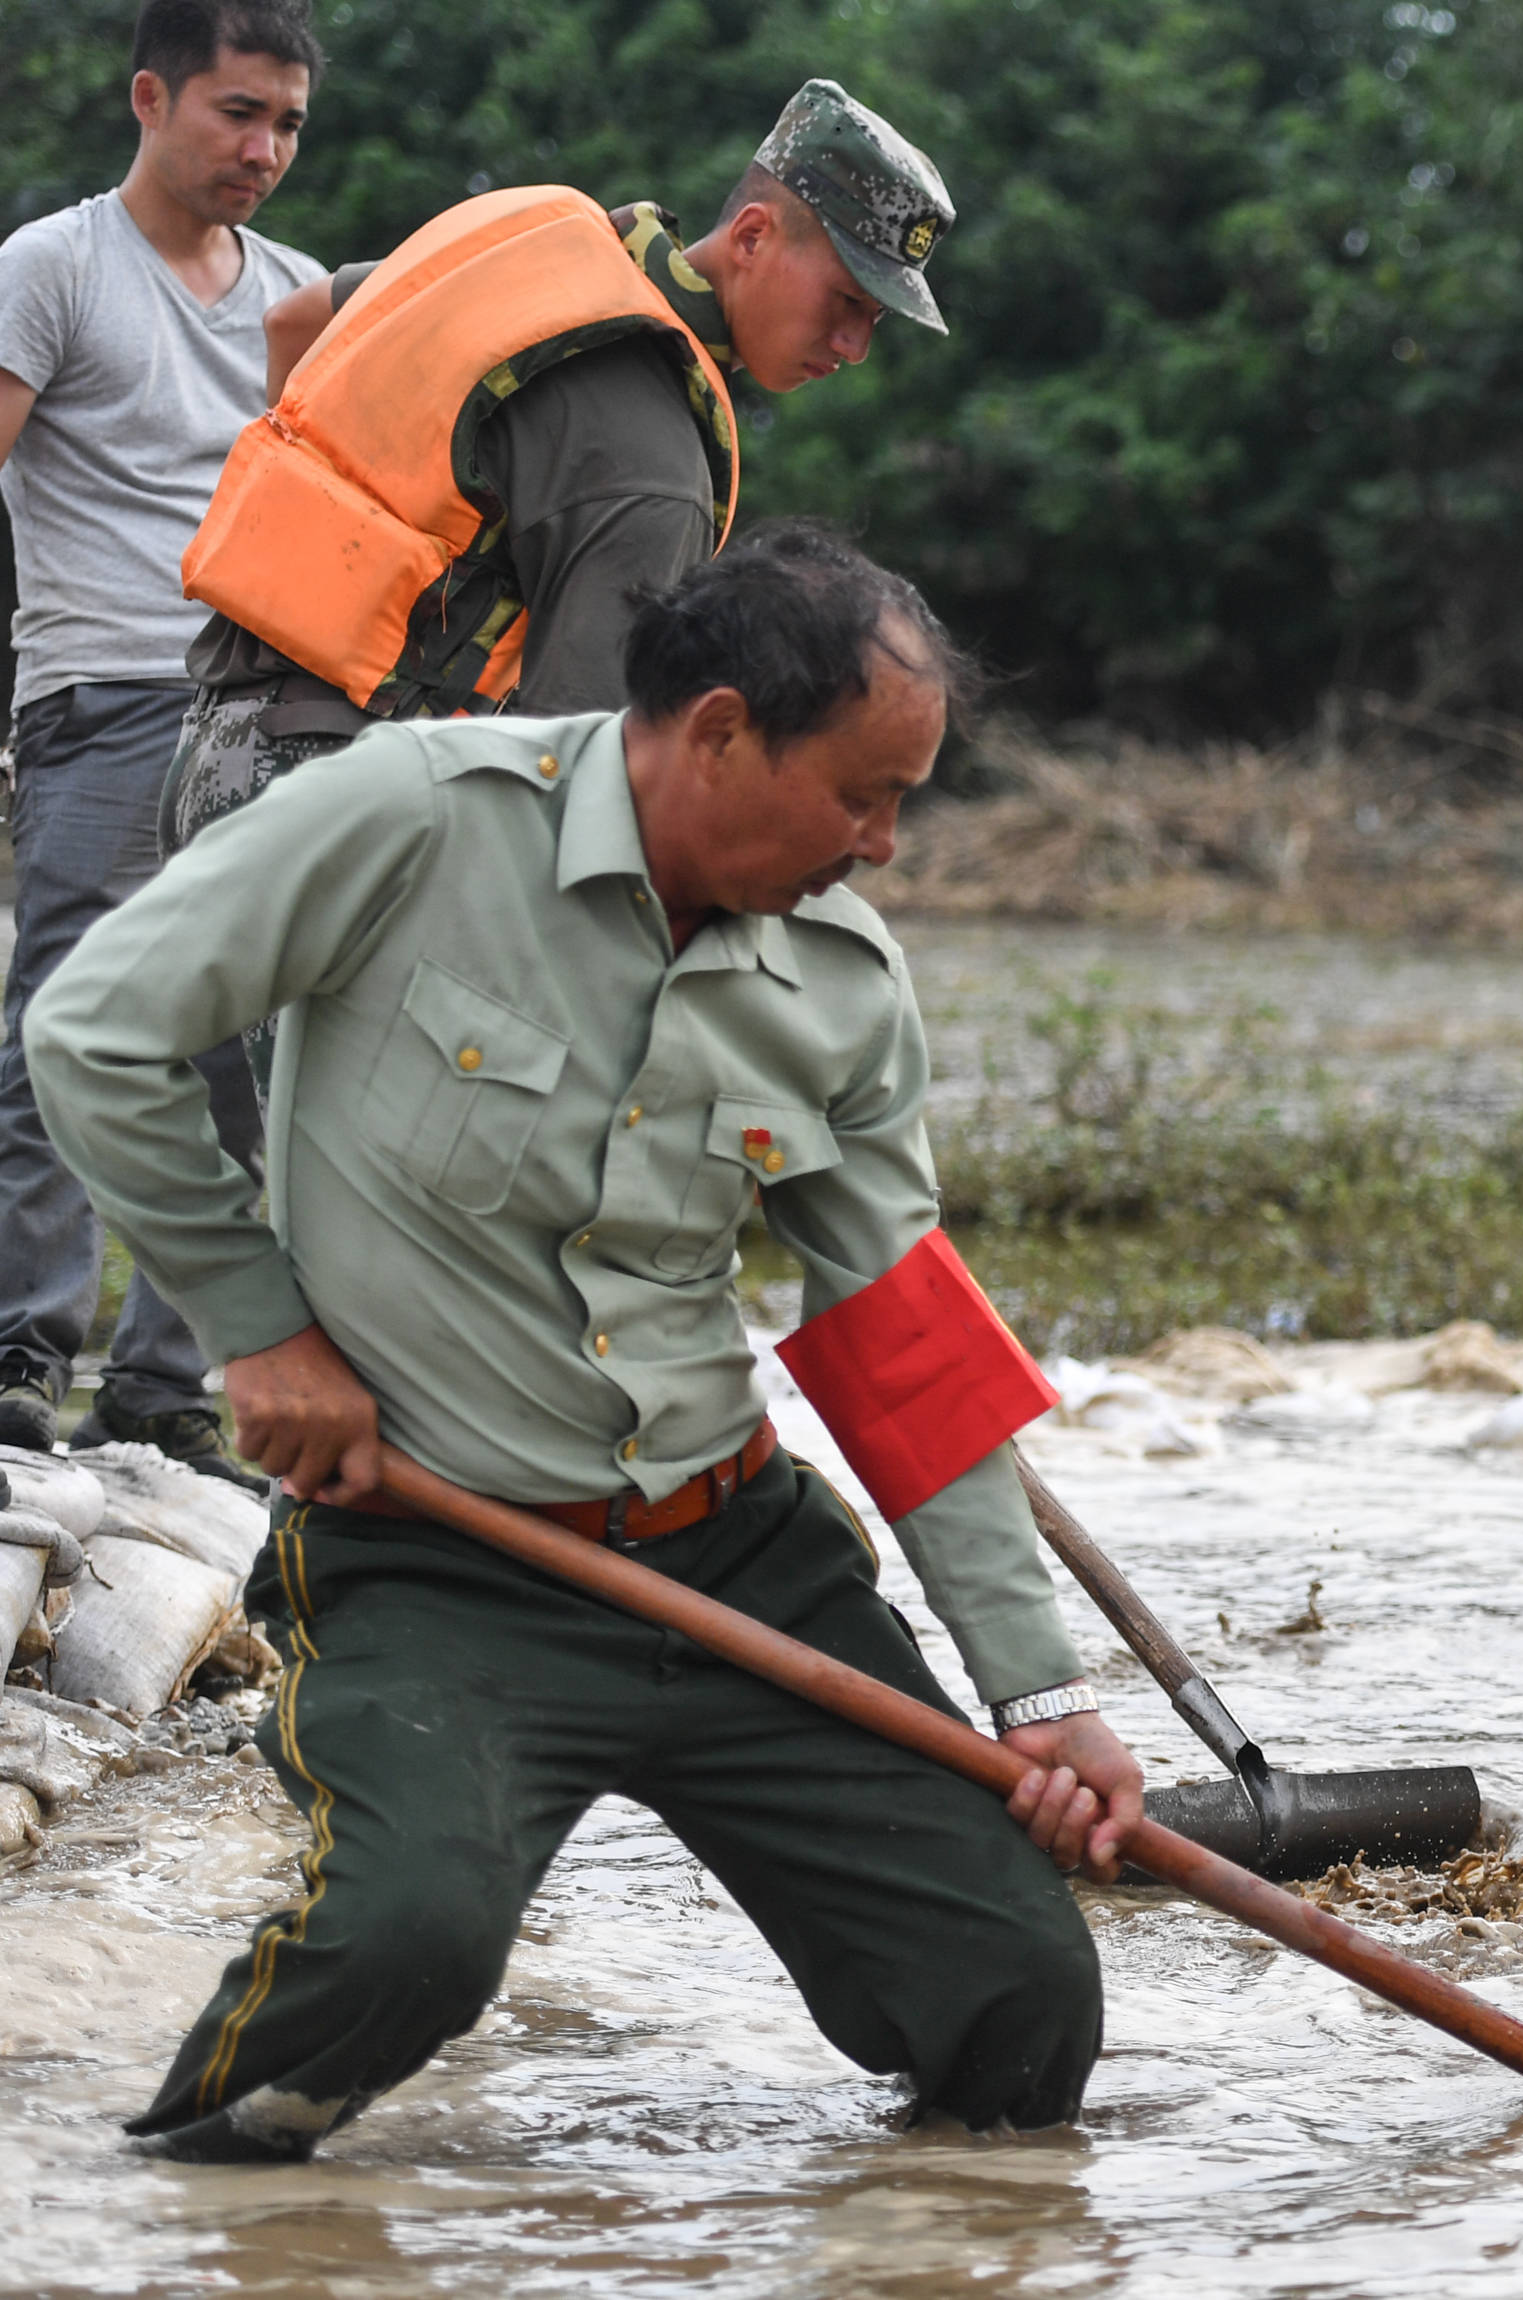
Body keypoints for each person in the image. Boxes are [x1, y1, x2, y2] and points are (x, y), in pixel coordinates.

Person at [26, 525, 1141, 2162]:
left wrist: (1037, 1692)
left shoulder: (839, 983)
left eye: (907, 801)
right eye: (861, 795)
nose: (889, 846)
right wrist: (257, 1328)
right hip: (439, 1558)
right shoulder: (406, 816)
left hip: (733, 1562)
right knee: (401, 1953)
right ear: (715, 733)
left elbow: (902, 1351)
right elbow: (93, 1031)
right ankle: (214, 2203)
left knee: (1021, 2011)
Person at [163, 75, 952, 870]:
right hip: (341, 803)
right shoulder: (659, 470)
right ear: (751, 237)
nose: (854, 346)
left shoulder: (528, 248)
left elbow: (291, 321)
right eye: (846, 300)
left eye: (874, 320)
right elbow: (566, 769)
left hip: (214, 747)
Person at [0, 0, 324, 1475]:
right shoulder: (52, 268)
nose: (262, 149)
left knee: (247, 1054)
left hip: (263, 701)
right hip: (105, 689)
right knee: (64, 1022)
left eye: (287, 124)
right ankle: (23, 1347)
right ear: (150, 97)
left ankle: (165, 1386)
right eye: (236, 113)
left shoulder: (304, 297)